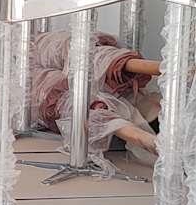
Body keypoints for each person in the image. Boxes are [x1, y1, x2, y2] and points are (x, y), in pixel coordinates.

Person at [30, 27, 161, 160]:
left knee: (72, 100)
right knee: (87, 55)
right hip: (51, 75)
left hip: (46, 88)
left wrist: (153, 143)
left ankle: (154, 141)